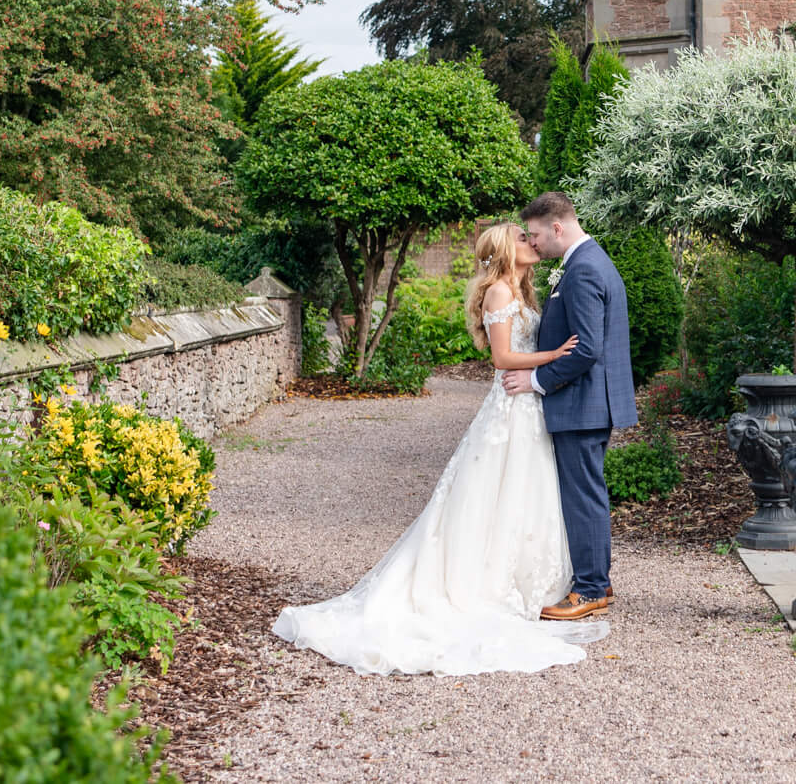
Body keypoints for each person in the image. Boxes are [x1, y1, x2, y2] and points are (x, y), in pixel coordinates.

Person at [270, 221, 606, 675]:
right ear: (506, 250)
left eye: (531, 238)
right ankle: (482, 585)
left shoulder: (523, 291)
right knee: (493, 495)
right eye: (523, 239)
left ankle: (534, 582)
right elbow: (503, 360)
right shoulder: (499, 295)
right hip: (509, 409)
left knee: (528, 493)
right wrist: (553, 356)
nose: (531, 243)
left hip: (530, 410)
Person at [502, 190, 637, 620]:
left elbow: (586, 350)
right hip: (590, 402)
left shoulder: (582, 270)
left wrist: (536, 379)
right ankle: (598, 580)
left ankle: (591, 589)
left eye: (537, 234)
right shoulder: (587, 261)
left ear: (557, 227)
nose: (534, 242)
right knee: (587, 493)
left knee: (583, 496)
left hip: (583, 403)